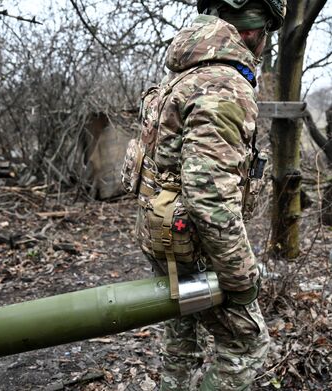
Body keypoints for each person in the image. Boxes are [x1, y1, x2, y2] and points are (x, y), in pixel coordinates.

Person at [121, 0, 287, 390]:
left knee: (181, 338)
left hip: (163, 235)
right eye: (267, 34)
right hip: (194, 243)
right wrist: (242, 279)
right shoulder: (224, 85)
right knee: (246, 346)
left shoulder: (184, 75)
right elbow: (208, 198)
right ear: (252, 32)